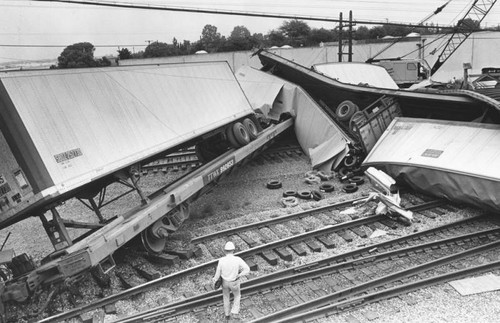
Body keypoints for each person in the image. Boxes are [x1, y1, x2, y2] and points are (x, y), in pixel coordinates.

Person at [212, 241, 250, 321]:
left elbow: (217, 274)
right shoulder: (237, 259)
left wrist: (214, 281)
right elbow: (247, 269)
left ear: (225, 251)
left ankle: (227, 315)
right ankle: (234, 311)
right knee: (237, 296)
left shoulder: (221, 260)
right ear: (233, 250)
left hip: (224, 283)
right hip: (234, 282)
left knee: (226, 297)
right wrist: (240, 275)